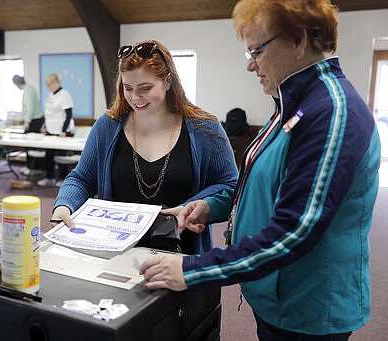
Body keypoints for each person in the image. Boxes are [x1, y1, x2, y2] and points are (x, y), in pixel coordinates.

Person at [139, 1, 381, 340]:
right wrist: (213, 206)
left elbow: (294, 231)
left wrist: (193, 270)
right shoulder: (292, 104)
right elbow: (261, 184)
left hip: (307, 308)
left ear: (298, 40)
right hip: (277, 293)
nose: (251, 65)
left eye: (257, 50)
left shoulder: (331, 113)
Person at [51, 39, 238, 255]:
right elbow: (81, 178)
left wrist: (197, 206)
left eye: (146, 88)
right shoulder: (107, 126)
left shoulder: (205, 128)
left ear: (168, 82)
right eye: (128, 88)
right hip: (114, 255)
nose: (135, 97)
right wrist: (64, 205)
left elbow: (231, 187)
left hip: (182, 259)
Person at [37, 73, 75, 187]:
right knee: (49, 155)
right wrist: (45, 127)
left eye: (50, 85)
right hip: (50, 130)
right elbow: (48, 114)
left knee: (62, 156)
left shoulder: (65, 95)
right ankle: (49, 177)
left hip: (61, 131)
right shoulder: (50, 95)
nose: (49, 87)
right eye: (47, 85)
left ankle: (63, 178)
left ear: (56, 83)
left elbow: (68, 115)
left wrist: (63, 131)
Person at [12, 75, 45, 176]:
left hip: (33, 120)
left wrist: (26, 121)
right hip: (36, 119)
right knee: (32, 145)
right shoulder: (30, 88)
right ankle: (31, 166)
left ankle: (33, 167)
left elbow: (30, 107)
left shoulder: (27, 90)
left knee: (30, 144)